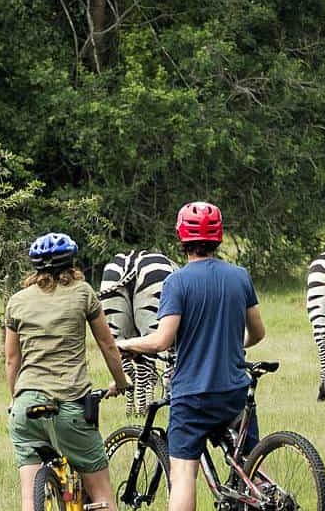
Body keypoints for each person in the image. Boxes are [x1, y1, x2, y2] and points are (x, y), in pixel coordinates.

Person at [116, 202, 267, 511]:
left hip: (193, 394)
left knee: (184, 472)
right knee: (249, 464)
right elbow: (258, 333)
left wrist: (128, 343)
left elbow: (162, 340)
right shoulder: (240, 276)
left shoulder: (177, 282)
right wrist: (235, 348)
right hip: (235, 391)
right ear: (219, 237)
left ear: (181, 237)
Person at [5, 232, 129, 511]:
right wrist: (121, 381)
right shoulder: (83, 293)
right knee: (102, 494)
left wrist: (14, 400)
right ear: (72, 264)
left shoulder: (17, 301)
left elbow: (12, 360)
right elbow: (108, 345)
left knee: (29, 498)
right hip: (69, 405)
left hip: (26, 407)